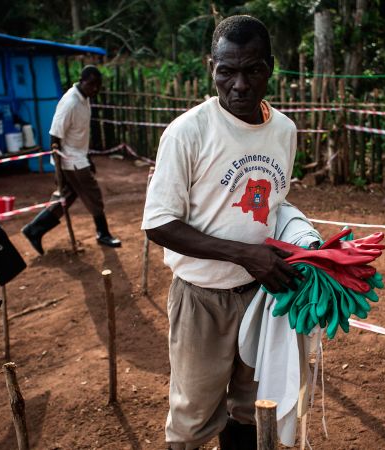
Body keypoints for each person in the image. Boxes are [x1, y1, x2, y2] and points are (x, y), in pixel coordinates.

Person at [142, 15, 301, 450]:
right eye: (226, 71)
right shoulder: (187, 133)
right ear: (211, 66)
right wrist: (244, 254)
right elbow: (158, 222)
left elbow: (273, 205)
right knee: (192, 420)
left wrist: (301, 245)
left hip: (261, 294)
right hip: (201, 298)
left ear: (271, 67)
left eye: (253, 70)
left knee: (251, 408)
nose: (240, 85)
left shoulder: (283, 131)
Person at [22, 65, 121, 254]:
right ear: (82, 81)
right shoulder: (70, 102)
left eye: (97, 86)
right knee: (93, 195)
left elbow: (81, 134)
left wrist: (88, 157)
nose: (95, 89)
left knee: (66, 197)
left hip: (79, 157)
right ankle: (103, 233)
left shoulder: (84, 100)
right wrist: (58, 165)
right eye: (91, 84)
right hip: (70, 160)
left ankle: (34, 229)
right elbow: (54, 135)